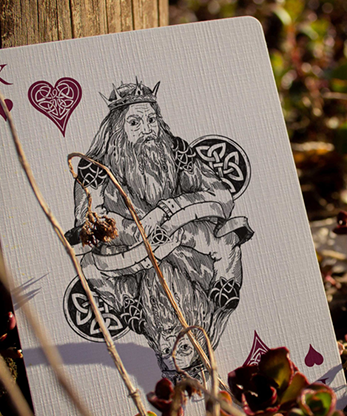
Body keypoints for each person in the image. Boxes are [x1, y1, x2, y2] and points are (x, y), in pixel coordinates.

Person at [65, 80, 252, 380]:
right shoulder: (96, 170)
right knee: (90, 266)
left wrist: (168, 212)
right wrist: (139, 232)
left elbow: (221, 197)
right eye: (135, 123)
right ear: (117, 130)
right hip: (142, 256)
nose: (148, 129)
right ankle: (134, 302)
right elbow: (88, 226)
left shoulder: (177, 153)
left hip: (182, 247)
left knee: (226, 237)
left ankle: (210, 284)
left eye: (152, 120)